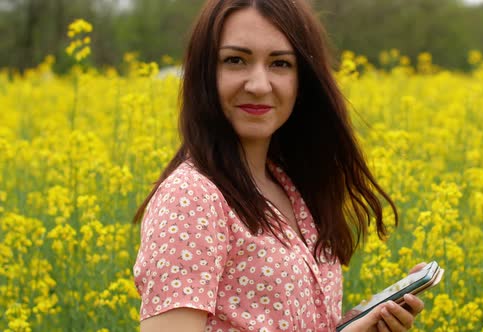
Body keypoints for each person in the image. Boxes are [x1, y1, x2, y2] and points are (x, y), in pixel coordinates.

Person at [132, 0, 426, 331]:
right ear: (204, 75)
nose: (259, 85)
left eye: (280, 64)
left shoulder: (291, 188)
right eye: (235, 60)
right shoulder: (191, 198)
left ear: (303, 82)